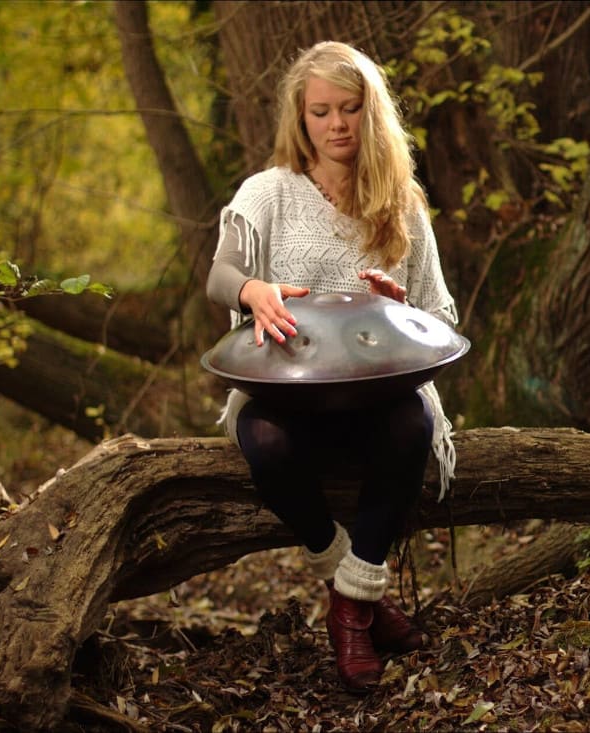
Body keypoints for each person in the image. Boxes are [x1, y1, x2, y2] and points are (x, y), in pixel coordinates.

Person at [205, 40, 458, 693]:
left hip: (378, 399)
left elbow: (439, 318)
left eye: (349, 108)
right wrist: (252, 291)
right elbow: (220, 276)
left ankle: (349, 608)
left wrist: (400, 312)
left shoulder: (403, 203)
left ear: (371, 113)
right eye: (321, 111)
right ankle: (359, 587)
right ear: (301, 116)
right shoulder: (269, 192)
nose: (337, 124)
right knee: (260, 437)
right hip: (291, 396)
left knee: (412, 425)